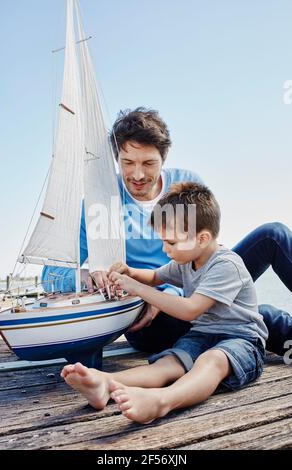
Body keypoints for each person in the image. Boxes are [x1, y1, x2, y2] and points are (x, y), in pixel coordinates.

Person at [42, 107, 292, 356]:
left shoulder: (186, 183)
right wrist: (91, 274)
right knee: (261, 316)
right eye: (127, 163)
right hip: (153, 316)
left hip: (199, 291)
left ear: (164, 158)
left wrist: (176, 289)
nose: (138, 174)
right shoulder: (99, 203)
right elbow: (51, 273)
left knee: (274, 234)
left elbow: (204, 248)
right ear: (116, 159)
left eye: (149, 163)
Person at [61, 182, 268, 424]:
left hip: (241, 340)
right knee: (169, 362)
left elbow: (191, 308)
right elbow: (155, 276)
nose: (165, 249)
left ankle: (162, 400)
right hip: (202, 335)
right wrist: (131, 272)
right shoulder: (185, 260)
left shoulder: (226, 265)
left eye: (171, 242)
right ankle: (106, 383)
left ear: (202, 238)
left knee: (211, 361)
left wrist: (137, 289)